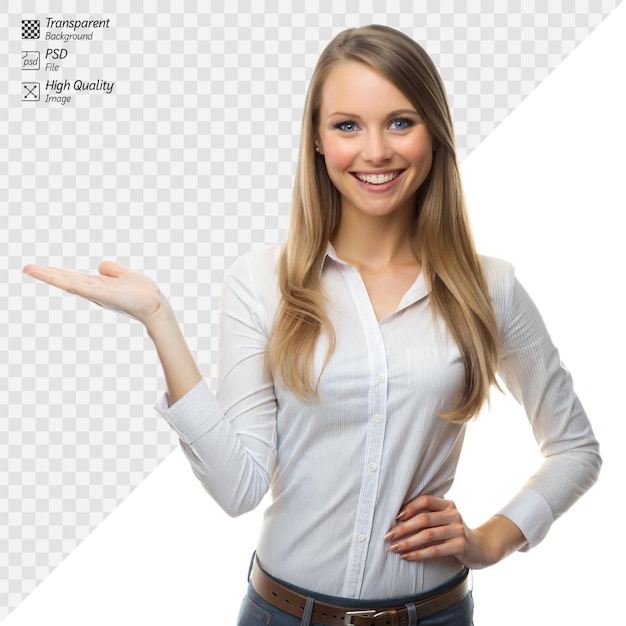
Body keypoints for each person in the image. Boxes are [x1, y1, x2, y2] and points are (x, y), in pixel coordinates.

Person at [23, 24, 601, 626]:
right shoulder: (261, 281)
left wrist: (492, 540)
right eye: (347, 125)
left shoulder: (489, 288)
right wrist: (158, 320)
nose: (375, 151)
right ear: (319, 141)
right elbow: (238, 488)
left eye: (400, 122)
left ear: (435, 134)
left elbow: (575, 450)